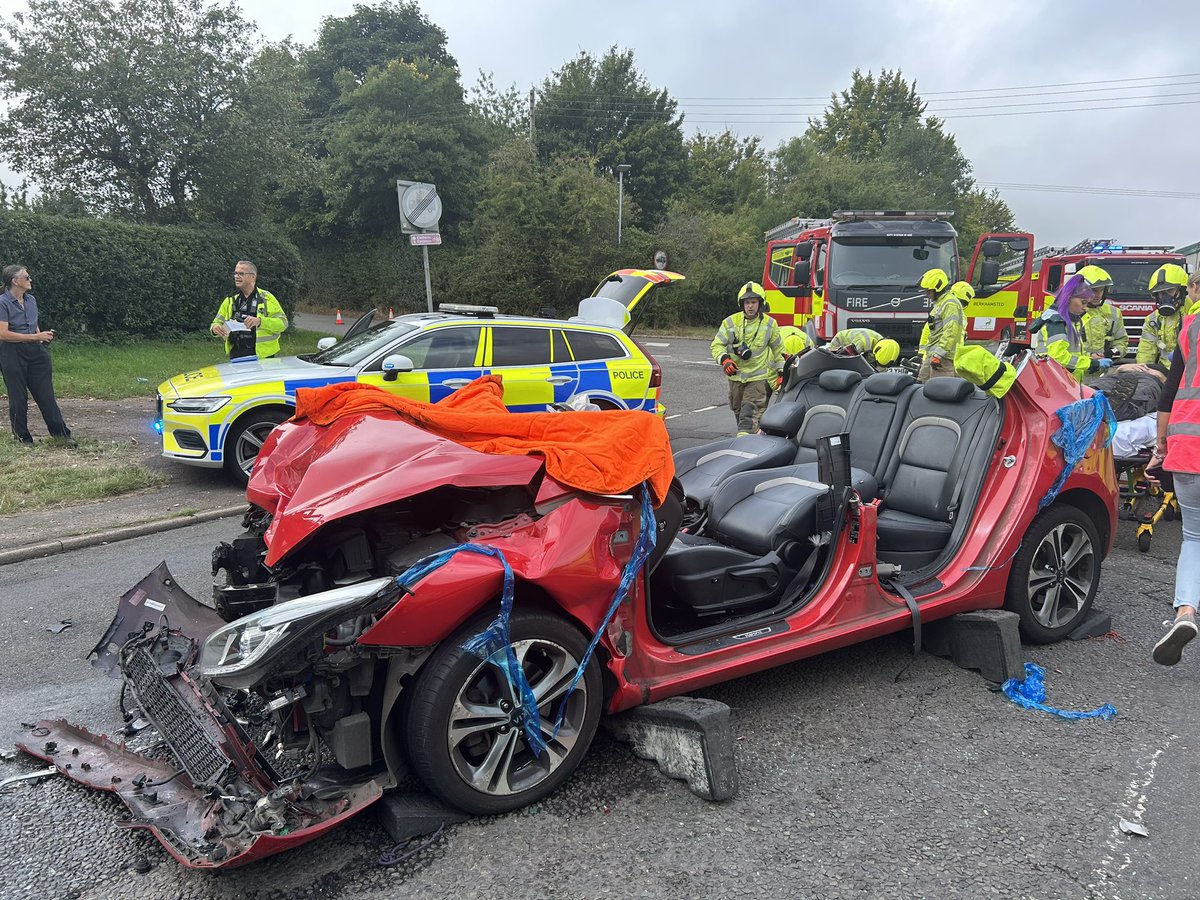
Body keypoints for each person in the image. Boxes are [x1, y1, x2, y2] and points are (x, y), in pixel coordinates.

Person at [1150, 306, 1200, 665]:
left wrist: (1160, 445)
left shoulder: (1189, 329)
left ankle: (1185, 613)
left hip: (1186, 443)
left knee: (1194, 538)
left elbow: (1169, 392)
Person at [0, 265, 75, 447]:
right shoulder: (2, 303)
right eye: (26, 277)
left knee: (46, 395)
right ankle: (23, 439)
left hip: (36, 352)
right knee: (18, 397)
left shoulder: (31, 300)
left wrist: (41, 338)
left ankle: (61, 435)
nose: (30, 280)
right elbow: (2, 334)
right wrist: (35, 336)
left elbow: (33, 325)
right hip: (12, 352)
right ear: (15, 281)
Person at [711, 281, 782, 435]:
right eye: (747, 302)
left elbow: (779, 351)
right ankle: (760, 441)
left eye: (754, 302)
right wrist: (725, 360)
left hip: (757, 379)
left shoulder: (770, 324)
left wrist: (781, 372)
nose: (750, 306)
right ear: (742, 304)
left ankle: (744, 450)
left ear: (760, 303)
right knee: (740, 414)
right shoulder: (730, 322)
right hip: (735, 379)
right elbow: (716, 345)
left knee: (748, 417)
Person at [1032, 273, 1112, 382]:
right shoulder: (1057, 323)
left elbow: (1071, 353)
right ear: (1069, 298)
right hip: (1057, 383)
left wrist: (1090, 357)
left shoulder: (1067, 321)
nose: (1085, 308)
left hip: (1064, 382)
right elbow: (1058, 357)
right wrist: (1091, 363)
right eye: (1083, 303)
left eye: (1087, 303)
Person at [210, 261, 288, 359]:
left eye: (241, 273)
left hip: (263, 356)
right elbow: (216, 322)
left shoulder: (266, 298)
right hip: (236, 354)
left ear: (253, 276)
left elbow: (283, 324)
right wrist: (215, 328)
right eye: (235, 273)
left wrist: (260, 321)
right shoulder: (230, 300)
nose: (236, 276)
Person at [917, 268, 965, 382]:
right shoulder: (941, 303)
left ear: (937, 288)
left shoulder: (950, 304)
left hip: (943, 358)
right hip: (933, 355)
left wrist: (938, 355)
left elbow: (950, 331)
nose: (927, 294)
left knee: (939, 391)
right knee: (921, 383)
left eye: (929, 290)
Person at [1137, 263, 1187, 370]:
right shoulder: (1153, 319)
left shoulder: (1193, 315)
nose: (1165, 297)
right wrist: (1143, 371)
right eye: (1160, 293)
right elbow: (1146, 350)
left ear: (1182, 290)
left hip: (1190, 373)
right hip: (1164, 371)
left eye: (1170, 291)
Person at [1078, 265, 1128, 371]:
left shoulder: (1114, 312)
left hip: (1105, 374)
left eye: (1101, 290)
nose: (1098, 295)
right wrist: (1089, 356)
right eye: (1094, 290)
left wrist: (1113, 353)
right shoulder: (1073, 311)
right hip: (1077, 374)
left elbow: (1121, 341)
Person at [825, 327, 901, 369]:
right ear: (876, 350)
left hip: (861, 346)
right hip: (840, 341)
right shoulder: (862, 342)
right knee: (837, 362)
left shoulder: (884, 343)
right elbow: (853, 360)